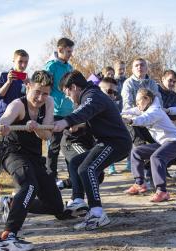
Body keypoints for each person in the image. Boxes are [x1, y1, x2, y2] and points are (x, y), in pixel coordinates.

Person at [0, 70, 65, 251]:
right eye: (37, 92)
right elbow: (4, 121)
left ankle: (12, 204)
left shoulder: (48, 103)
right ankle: (6, 238)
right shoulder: (18, 104)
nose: (41, 97)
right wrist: (2, 127)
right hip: (13, 154)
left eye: (45, 93)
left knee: (56, 207)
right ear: (28, 86)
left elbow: (47, 134)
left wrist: (37, 129)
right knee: (29, 185)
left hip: (34, 157)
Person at [53, 70, 131, 230]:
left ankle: (97, 213)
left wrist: (67, 121)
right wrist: (79, 125)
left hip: (117, 142)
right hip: (107, 141)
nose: (67, 97)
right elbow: (91, 118)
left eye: (66, 92)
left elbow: (85, 111)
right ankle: (79, 200)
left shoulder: (92, 96)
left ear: (73, 87)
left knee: (87, 169)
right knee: (75, 163)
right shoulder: (90, 95)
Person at [122, 88, 176, 202]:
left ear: (147, 99)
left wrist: (131, 121)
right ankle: (140, 184)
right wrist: (118, 115)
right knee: (137, 152)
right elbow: (132, 111)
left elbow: (145, 119)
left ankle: (162, 191)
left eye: (138, 101)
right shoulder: (144, 108)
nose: (137, 105)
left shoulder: (155, 110)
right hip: (164, 143)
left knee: (156, 157)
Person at [0, 49, 29, 201]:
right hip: (3, 120)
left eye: (25, 62)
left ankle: (20, 188)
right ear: (13, 61)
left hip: (20, 122)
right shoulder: (4, 75)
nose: (23, 65)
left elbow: (28, 101)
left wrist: (29, 86)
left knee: (21, 154)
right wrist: (9, 81)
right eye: (20, 62)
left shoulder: (26, 79)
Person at [45, 37, 74, 184]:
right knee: (54, 147)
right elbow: (45, 89)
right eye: (68, 51)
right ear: (60, 50)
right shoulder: (50, 67)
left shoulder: (70, 67)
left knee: (69, 146)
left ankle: (73, 176)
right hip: (55, 113)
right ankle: (51, 178)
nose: (70, 54)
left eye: (71, 51)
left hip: (69, 113)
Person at [99, 77, 119, 175]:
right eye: (110, 91)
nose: (113, 96)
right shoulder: (93, 104)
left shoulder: (112, 107)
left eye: (115, 93)